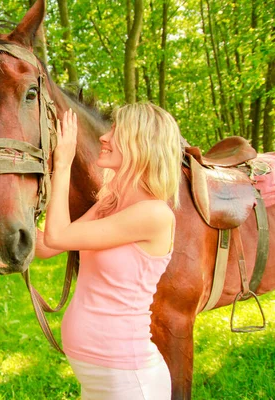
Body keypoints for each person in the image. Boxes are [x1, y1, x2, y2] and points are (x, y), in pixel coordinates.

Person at [35, 102, 183, 399]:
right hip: (101, 377)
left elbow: (57, 235)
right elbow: (45, 246)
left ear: (142, 144)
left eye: (117, 130)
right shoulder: (109, 203)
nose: (105, 136)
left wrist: (62, 163)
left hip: (129, 380)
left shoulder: (154, 215)